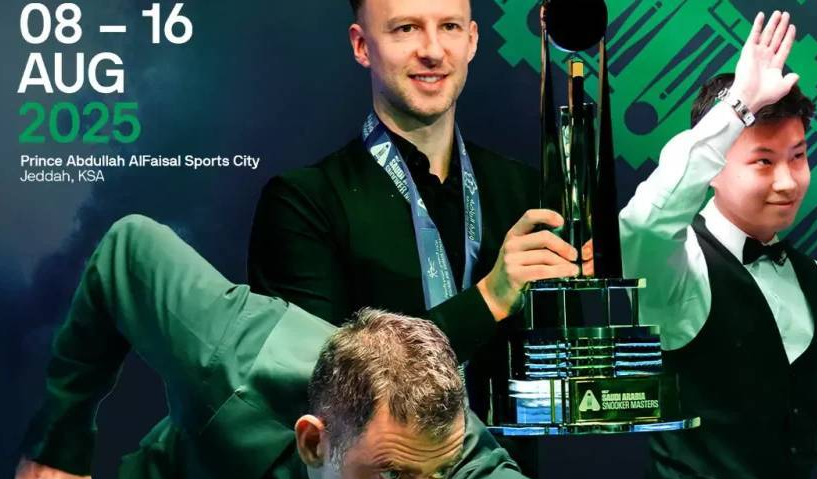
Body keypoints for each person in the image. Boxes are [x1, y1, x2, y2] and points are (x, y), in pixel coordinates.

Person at [10, 215, 655, 479]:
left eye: (435, 476)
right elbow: (129, 249)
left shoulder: (453, 464)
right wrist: (58, 448)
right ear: (314, 441)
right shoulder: (229, 353)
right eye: (393, 474)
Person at [619, 11, 817, 479]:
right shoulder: (679, 269)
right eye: (763, 162)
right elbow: (643, 223)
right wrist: (737, 106)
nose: (788, 181)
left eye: (798, 156)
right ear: (714, 168)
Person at [247, 0, 585, 419]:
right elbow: (320, 388)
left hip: (502, 462)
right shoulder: (303, 203)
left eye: (449, 27)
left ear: (472, 41)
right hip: (376, 463)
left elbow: (564, 384)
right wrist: (488, 299)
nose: (432, 50)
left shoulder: (528, 193)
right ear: (362, 45)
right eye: (406, 28)